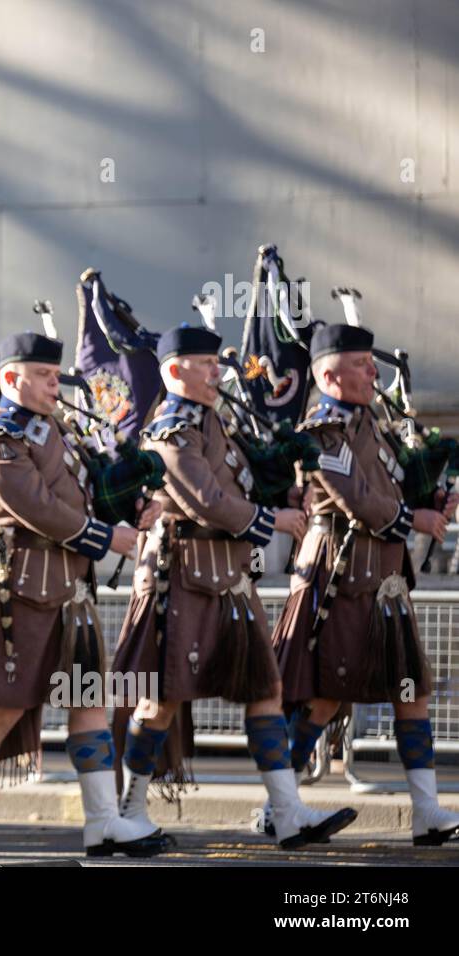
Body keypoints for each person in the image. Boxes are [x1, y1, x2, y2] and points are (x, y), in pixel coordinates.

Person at [0, 332, 167, 857]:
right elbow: (38, 508)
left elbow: (89, 493)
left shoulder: (63, 432)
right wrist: (109, 537)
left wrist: (133, 505)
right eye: (46, 376)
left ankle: (102, 822)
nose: (57, 385)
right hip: (17, 588)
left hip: (67, 591)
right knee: (2, 709)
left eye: (57, 376)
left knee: (86, 702)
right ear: (13, 379)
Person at [111, 325, 356, 849]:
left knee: (265, 690)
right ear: (175, 371)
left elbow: (239, 482)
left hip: (229, 576)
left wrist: (284, 479)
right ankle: (128, 809)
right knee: (162, 700)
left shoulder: (214, 422)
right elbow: (204, 499)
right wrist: (272, 520)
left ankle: (287, 813)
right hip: (182, 575)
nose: (217, 373)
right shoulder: (172, 429)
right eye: (205, 365)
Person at [272, 323, 459, 847]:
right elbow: (354, 497)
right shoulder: (321, 432)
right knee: (326, 698)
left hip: (385, 585)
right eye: (361, 364)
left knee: (411, 692)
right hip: (340, 580)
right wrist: (412, 519)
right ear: (330, 374)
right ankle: (276, 804)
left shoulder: (373, 424)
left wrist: (437, 495)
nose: (373, 371)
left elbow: (396, 484)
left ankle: (426, 811)